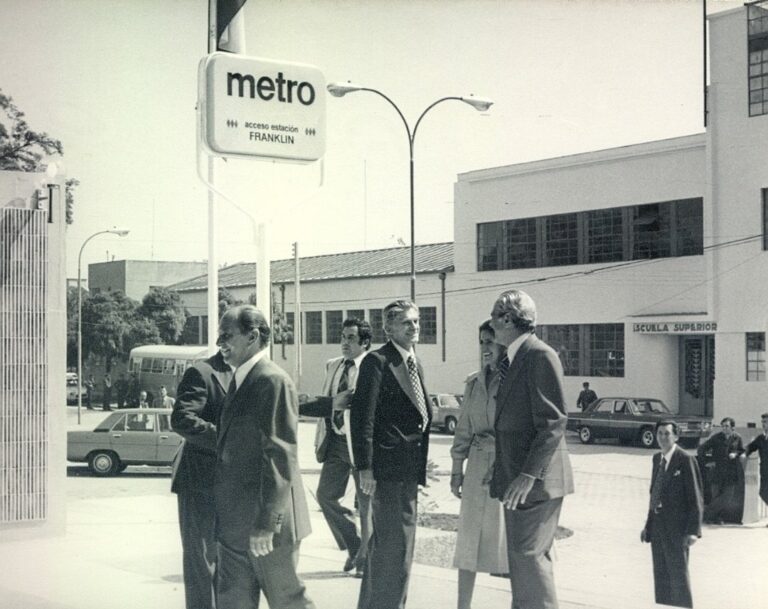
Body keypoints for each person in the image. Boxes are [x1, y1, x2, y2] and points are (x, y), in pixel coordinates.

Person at [214, 305, 315, 609]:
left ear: (253, 336)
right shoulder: (241, 379)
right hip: (235, 522)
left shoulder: (272, 381)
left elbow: (280, 453)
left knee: (288, 602)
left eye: (227, 335)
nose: (220, 343)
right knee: (232, 601)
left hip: (266, 524)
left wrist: (267, 523)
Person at [488, 289, 574, 609]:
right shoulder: (514, 357)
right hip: (518, 481)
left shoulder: (539, 355)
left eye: (494, 316)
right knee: (524, 563)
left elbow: (554, 421)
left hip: (534, 483)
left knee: (528, 559)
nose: (490, 324)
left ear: (508, 319)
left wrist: (527, 474)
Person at [351, 300, 431, 609]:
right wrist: (365, 468)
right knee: (395, 549)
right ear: (388, 328)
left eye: (416, 321)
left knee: (392, 548)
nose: (414, 327)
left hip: (408, 470)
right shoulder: (378, 362)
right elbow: (363, 418)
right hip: (387, 471)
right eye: (407, 322)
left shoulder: (414, 363)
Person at [299, 317, 373, 577]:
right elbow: (328, 400)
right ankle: (355, 545)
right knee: (325, 496)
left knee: (366, 505)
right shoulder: (333, 365)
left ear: (365, 342)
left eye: (351, 338)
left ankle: (365, 560)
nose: (344, 342)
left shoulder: (373, 367)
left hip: (362, 445)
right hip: (337, 442)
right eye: (343, 337)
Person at [450, 320, 508, 609]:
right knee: (468, 541)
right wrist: (456, 470)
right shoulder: (473, 383)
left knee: (507, 545)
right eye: (482, 342)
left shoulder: (512, 381)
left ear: (503, 344)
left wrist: (503, 464)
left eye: (491, 341)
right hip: (475, 467)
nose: (485, 347)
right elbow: (463, 429)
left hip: (505, 467)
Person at [171, 349, 233, 609]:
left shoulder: (251, 373)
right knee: (201, 563)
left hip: (233, 484)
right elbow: (182, 419)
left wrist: (329, 405)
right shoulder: (202, 372)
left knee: (229, 564)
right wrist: (227, 438)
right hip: (199, 481)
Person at [641, 421, 703, 608]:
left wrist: (693, 531)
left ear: (676, 436)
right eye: (659, 433)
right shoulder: (656, 459)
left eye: (667, 434)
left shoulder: (685, 459)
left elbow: (696, 497)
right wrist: (648, 526)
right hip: (658, 527)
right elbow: (655, 493)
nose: (662, 437)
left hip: (678, 529)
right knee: (661, 575)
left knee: (678, 576)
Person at [697, 417, 745, 524]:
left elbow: (741, 450)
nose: (724, 428)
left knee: (727, 497)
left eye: (727, 426)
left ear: (732, 427)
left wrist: (736, 454)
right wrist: (707, 462)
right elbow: (701, 449)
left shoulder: (737, 438)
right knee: (716, 496)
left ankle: (704, 513)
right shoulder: (716, 437)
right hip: (717, 472)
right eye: (722, 426)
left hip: (730, 473)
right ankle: (715, 518)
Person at [745, 413, 768, 519]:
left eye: (766, 422)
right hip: (765, 471)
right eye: (763, 422)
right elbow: (750, 447)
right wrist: (743, 454)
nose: (763, 424)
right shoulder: (761, 438)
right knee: (763, 493)